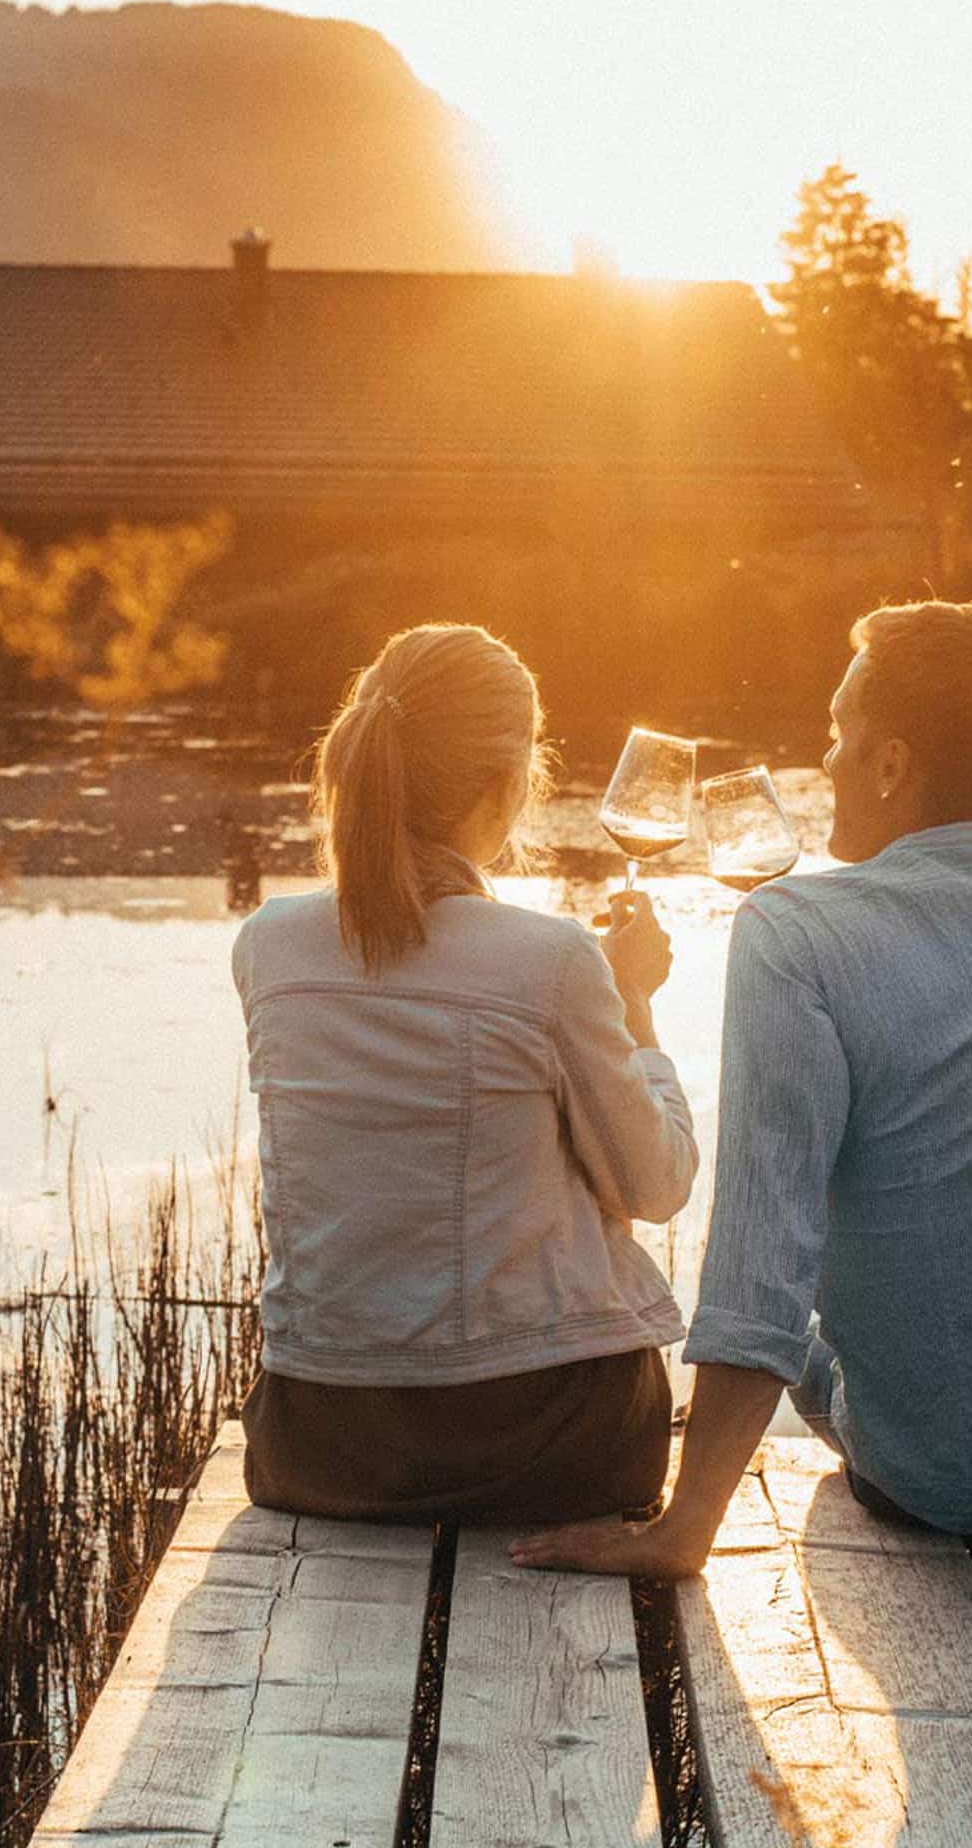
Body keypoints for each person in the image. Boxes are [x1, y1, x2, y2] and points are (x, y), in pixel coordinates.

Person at [510, 599, 972, 1576]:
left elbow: (764, 1245)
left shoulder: (794, 932)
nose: (825, 764)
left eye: (837, 736)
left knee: (818, 1336)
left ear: (890, 764)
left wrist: (686, 1530)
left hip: (943, 1478)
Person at [233, 622, 698, 1524]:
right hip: (550, 1444)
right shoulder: (553, 962)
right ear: (510, 784)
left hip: (325, 1441)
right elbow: (656, 1185)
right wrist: (633, 1005)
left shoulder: (267, 947)